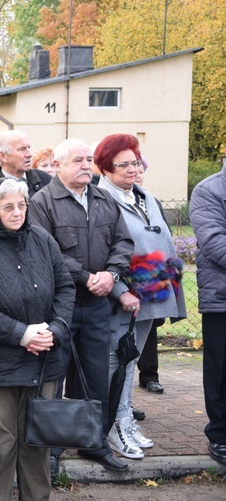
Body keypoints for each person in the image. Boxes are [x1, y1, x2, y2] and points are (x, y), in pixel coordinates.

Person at [30, 138, 133, 475]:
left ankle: (93, 443)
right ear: (58, 165)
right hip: (60, 305)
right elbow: (46, 250)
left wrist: (111, 274)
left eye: (89, 159)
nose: (86, 165)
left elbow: (123, 241)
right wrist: (86, 276)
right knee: (55, 375)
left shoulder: (104, 199)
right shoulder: (42, 202)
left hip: (98, 304)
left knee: (95, 375)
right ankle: (55, 447)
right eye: (78, 160)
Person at [0, 177, 74, 500]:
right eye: (8, 207)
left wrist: (55, 329)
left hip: (44, 358)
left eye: (21, 205)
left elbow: (65, 288)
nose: (17, 212)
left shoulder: (43, 239)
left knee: (37, 439)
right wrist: (21, 334)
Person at [95, 135, 186, 459]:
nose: (133, 168)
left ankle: (125, 417)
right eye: (124, 164)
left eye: (136, 162)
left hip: (151, 294)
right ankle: (112, 425)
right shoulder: (103, 199)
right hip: (122, 296)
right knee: (115, 360)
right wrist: (122, 290)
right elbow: (104, 253)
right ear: (106, 168)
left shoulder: (142, 196)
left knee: (131, 359)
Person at [190, 158, 226, 466]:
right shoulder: (209, 190)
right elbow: (215, 242)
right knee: (221, 369)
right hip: (222, 297)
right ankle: (220, 435)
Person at [134, 156, 166, 396]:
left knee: (151, 325)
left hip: (151, 271)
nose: (136, 173)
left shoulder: (151, 201)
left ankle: (149, 375)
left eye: (140, 169)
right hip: (128, 270)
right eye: (131, 167)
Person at [0, 130, 51, 197]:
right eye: (22, 149)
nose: (30, 154)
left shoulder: (45, 179)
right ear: (3, 156)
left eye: (29, 147)